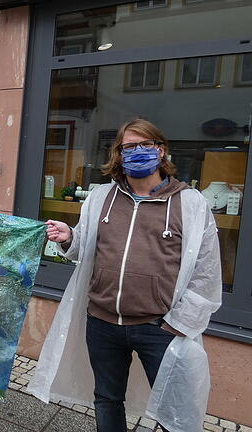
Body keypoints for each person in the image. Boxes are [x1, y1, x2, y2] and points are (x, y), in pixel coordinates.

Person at [28, 119, 222, 432]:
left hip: (158, 327)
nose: (137, 152)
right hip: (102, 323)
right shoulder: (101, 197)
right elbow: (86, 248)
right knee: (106, 398)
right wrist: (68, 237)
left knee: (174, 408)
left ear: (160, 151)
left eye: (145, 145)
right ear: (118, 154)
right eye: (128, 147)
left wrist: (178, 323)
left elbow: (207, 271)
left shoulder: (190, 203)